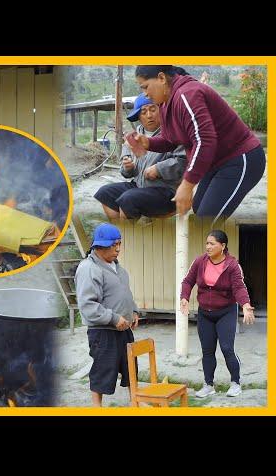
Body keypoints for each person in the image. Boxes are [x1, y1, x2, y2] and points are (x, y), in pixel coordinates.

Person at [126, 66, 265, 222]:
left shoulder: (187, 95)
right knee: (199, 210)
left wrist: (187, 185)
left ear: (162, 78)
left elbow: (204, 141)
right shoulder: (165, 104)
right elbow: (171, 140)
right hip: (215, 164)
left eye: (145, 86)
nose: (145, 93)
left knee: (206, 220)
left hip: (240, 158)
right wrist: (147, 142)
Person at [180, 230, 254, 398]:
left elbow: (239, 287)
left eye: (212, 243)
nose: (208, 247)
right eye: (207, 243)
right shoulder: (200, 262)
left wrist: (245, 304)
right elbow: (188, 281)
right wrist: (184, 297)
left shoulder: (232, 265)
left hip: (226, 312)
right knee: (207, 350)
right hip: (204, 313)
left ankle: (235, 383)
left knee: (227, 348)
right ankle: (208, 385)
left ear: (223, 246)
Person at [75, 223, 139, 406]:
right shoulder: (89, 268)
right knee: (102, 371)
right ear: (99, 246)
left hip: (123, 329)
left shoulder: (118, 268)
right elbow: (87, 305)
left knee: (130, 369)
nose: (118, 249)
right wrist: (114, 317)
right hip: (103, 331)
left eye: (119, 244)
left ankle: (135, 403)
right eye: (113, 245)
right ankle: (97, 408)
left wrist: (133, 311)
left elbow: (126, 294)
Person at [94, 93, 186, 221]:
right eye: (143, 112)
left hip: (166, 191)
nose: (149, 115)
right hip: (139, 186)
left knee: (129, 199)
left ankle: (129, 238)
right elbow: (125, 172)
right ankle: (119, 233)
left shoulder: (174, 132)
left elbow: (183, 162)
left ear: (162, 110)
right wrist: (128, 167)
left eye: (153, 109)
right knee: (105, 193)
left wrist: (159, 169)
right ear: (138, 116)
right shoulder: (134, 136)